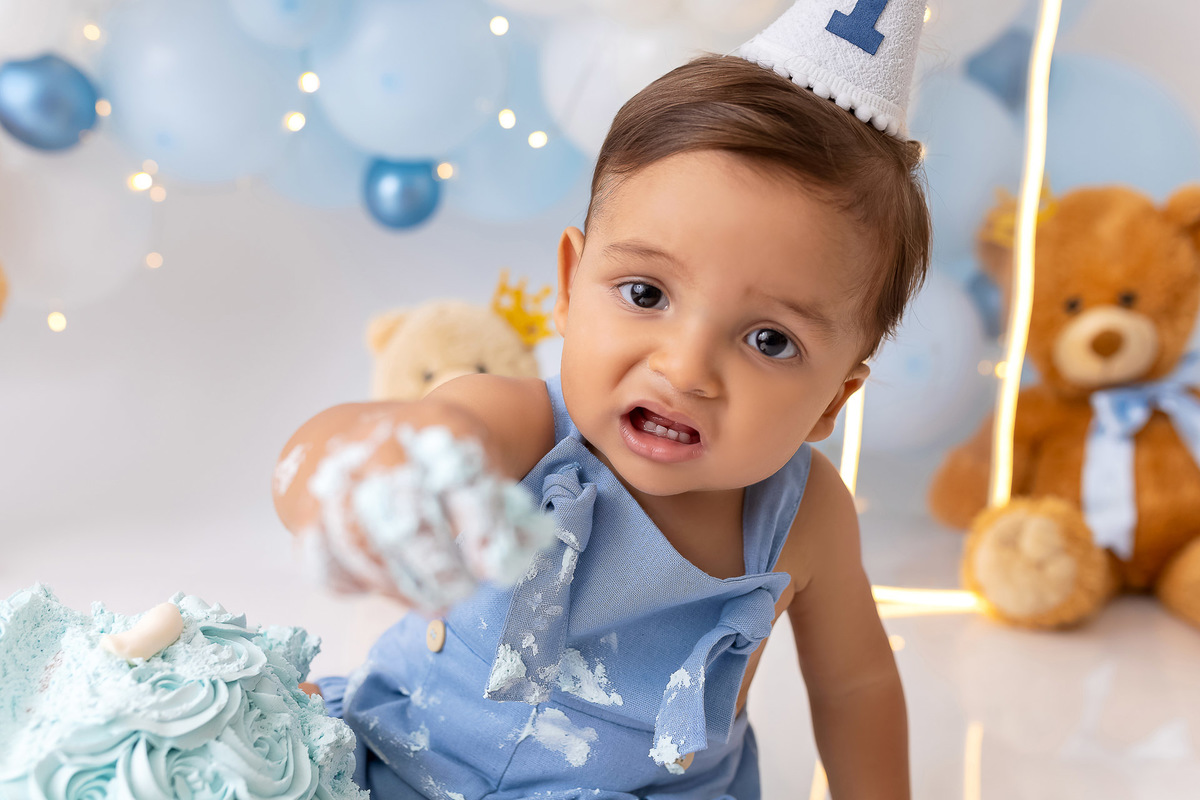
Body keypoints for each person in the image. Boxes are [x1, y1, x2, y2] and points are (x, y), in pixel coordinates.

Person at [274, 2, 931, 797]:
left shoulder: (805, 518)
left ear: (833, 400)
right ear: (568, 285)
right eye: (646, 293)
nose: (685, 368)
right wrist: (379, 467)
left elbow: (856, 686)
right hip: (404, 759)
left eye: (769, 340)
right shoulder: (515, 426)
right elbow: (382, 441)